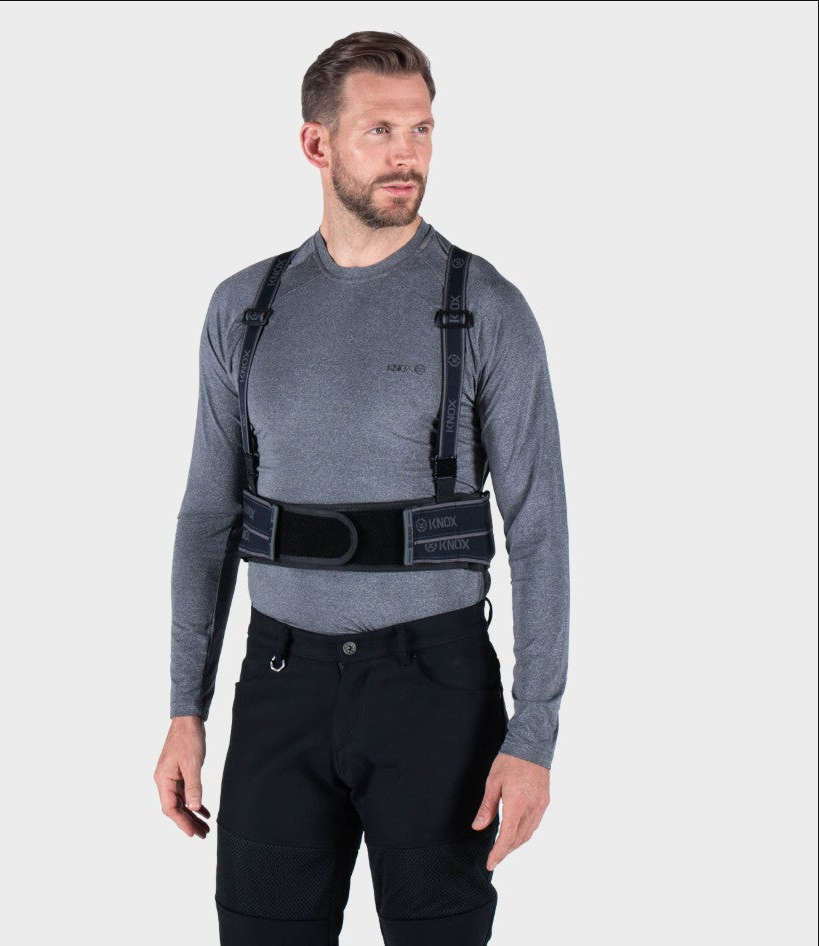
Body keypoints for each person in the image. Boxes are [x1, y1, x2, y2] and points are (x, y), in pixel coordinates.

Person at [154, 29, 570, 946]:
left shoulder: (484, 307)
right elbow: (208, 518)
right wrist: (186, 709)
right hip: (279, 685)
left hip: (436, 692)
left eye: (421, 129)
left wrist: (533, 733)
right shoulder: (245, 308)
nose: (406, 154)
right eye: (380, 130)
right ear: (317, 143)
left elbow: (539, 528)